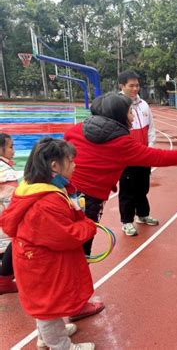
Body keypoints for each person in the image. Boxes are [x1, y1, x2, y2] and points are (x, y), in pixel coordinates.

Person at [64, 92, 177, 319]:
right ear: (117, 115)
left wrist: (105, 181)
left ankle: (9, 276)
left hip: (62, 195)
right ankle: (75, 305)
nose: (133, 117)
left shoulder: (75, 130)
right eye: (129, 112)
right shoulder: (121, 143)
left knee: (57, 248)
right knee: (80, 254)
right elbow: (159, 157)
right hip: (86, 203)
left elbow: (80, 159)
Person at [0, 137, 97, 349]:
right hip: (42, 264)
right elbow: (66, 236)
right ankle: (61, 345)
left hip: (37, 260)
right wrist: (89, 226)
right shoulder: (46, 202)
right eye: (70, 161)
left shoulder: (34, 188)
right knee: (47, 306)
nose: (74, 165)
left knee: (45, 304)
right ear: (54, 165)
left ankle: (48, 337)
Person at [118, 70, 158, 237]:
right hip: (127, 157)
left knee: (142, 187)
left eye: (137, 85)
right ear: (122, 86)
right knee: (128, 190)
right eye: (131, 85)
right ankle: (127, 222)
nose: (135, 89)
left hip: (144, 155)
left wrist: (151, 147)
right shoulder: (118, 105)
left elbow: (151, 128)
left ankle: (142, 214)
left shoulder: (143, 105)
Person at [0, 133, 20, 295]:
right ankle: (5, 280)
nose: (13, 151)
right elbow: (12, 202)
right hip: (4, 223)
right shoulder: (6, 173)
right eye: (11, 147)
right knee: (14, 245)